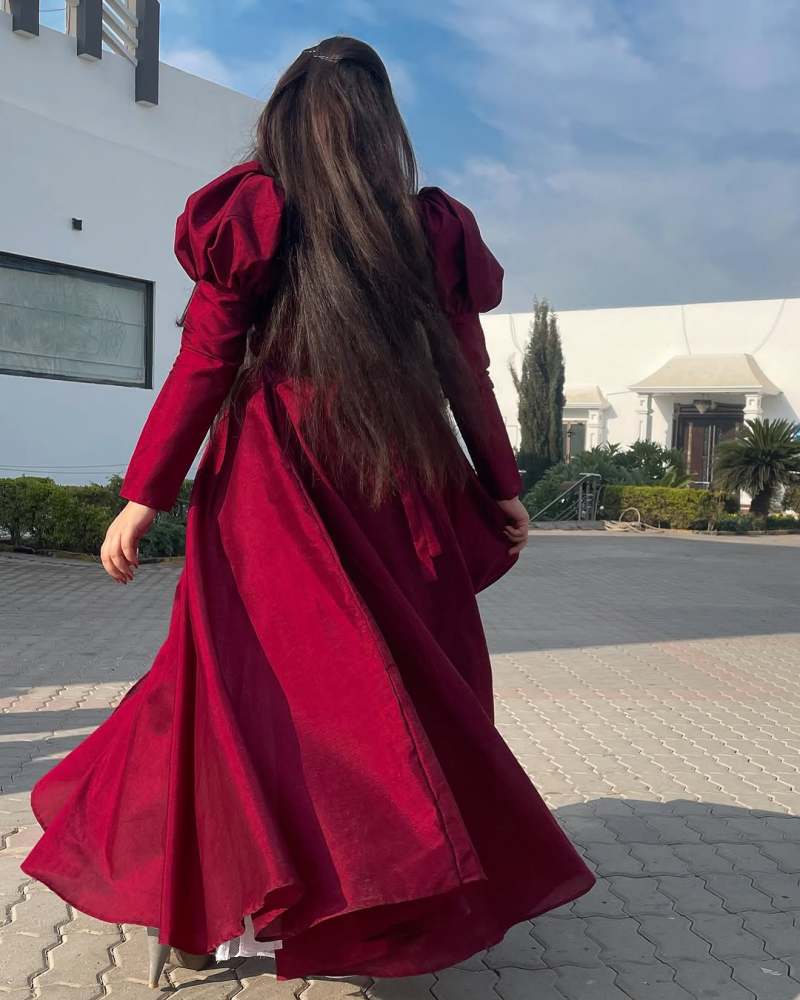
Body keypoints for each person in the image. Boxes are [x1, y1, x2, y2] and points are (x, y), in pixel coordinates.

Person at [21, 36, 594, 986]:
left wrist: (142, 495)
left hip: (269, 487)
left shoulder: (257, 213)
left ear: (286, 118)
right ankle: (402, 886)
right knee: (403, 688)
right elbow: (465, 375)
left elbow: (205, 362)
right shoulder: (425, 229)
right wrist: (500, 483)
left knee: (233, 692)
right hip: (392, 474)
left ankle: (200, 904)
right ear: (384, 132)